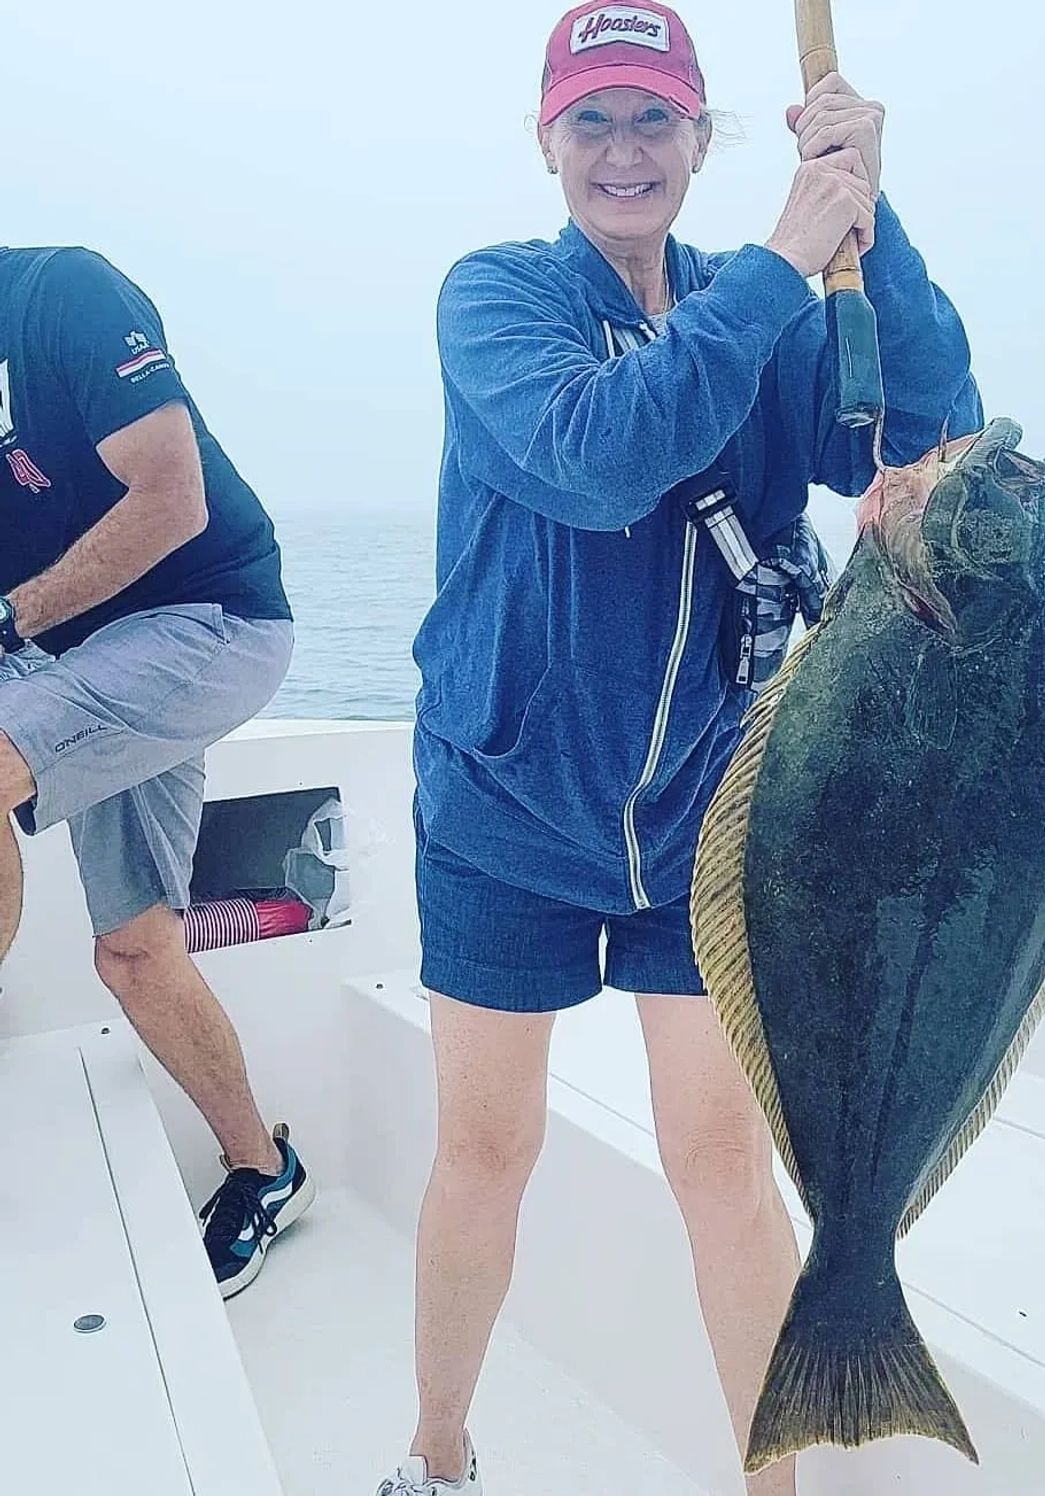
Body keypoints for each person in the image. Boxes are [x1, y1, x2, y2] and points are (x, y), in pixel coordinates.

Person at [386, 3, 983, 1492]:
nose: (625, 151)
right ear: (547, 143)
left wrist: (870, 220)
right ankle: (437, 1451)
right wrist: (786, 264)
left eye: (655, 118)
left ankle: (767, 1485)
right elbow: (601, 457)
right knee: (487, 1150)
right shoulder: (496, 302)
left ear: (708, 138)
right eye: (592, 120)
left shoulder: (775, 306)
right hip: (502, 810)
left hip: (711, 824)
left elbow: (927, 428)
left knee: (721, 1166)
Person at [0, 244, 315, 1298]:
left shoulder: (58, 296)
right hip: (87, 660)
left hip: (214, 623)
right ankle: (266, 1169)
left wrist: (9, 617)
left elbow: (172, 497)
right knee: (134, 950)